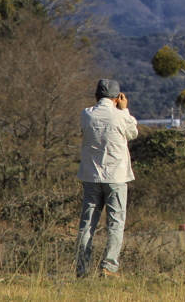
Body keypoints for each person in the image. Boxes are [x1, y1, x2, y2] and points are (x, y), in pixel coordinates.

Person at [76, 78, 138, 279]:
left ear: (96, 96)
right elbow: (133, 133)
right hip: (116, 177)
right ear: (117, 97)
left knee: (87, 225)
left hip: (91, 176)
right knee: (115, 223)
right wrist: (124, 109)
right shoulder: (120, 116)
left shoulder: (86, 115)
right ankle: (108, 267)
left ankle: (82, 269)